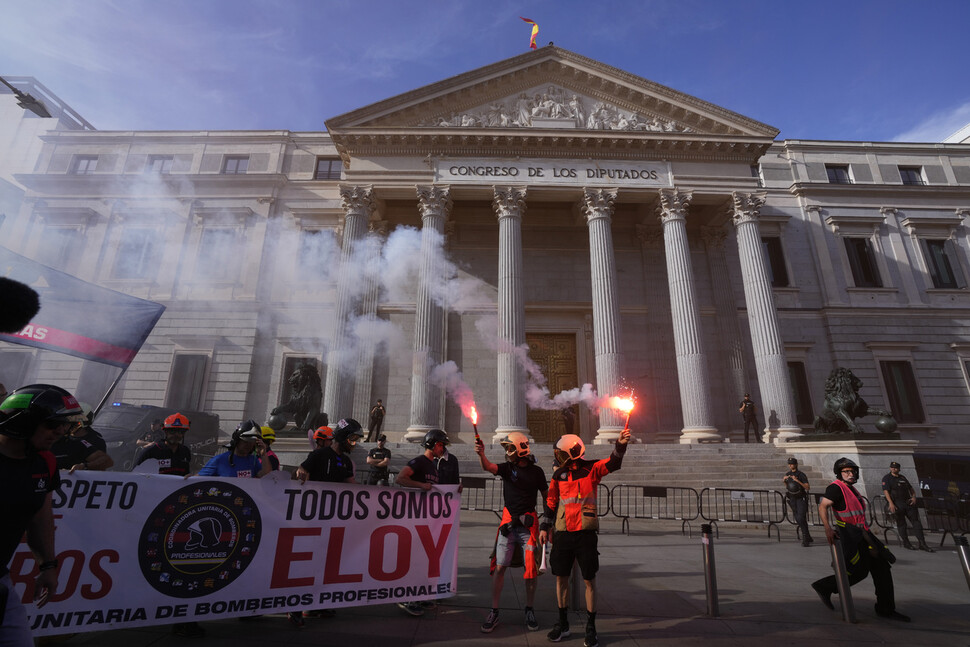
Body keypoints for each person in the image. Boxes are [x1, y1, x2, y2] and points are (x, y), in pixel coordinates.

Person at [0, 384, 82, 646]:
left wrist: (48, 565)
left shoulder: (45, 461)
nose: (60, 432)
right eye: (52, 424)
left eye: (64, 425)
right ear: (23, 421)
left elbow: (41, 517)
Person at [541, 430, 630, 647]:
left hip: (585, 532)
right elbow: (551, 501)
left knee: (589, 580)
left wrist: (620, 444)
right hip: (562, 531)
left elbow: (613, 463)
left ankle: (591, 627)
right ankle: (563, 624)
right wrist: (545, 526)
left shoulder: (592, 469)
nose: (558, 458)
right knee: (561, 578)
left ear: (573, 452)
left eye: (561, 454)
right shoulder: (558, 475)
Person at [811, 457, 910, 622]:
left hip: (862, 534)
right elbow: (823, 506)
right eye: (846, 472)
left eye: (852, 471)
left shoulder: (851, 489)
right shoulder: (836, 488)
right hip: (850, 535)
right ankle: (825, 586)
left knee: (881, 568)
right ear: (839, 474)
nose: (851, 474)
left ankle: (885, 608)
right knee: (859, 570)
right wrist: (827, 528)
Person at [475, 432, 551, 634]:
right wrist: (481, 454)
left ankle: (529, 609)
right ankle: (494, 611)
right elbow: (489, 467)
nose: (507, 452)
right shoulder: (507, 468)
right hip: (508, 525)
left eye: (509, 448)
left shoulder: (537, 472)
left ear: (520, 449)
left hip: (529, 527)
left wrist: (546, 523)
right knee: (500, 568)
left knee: (530, 571)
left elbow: (547, 497)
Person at [395, 428, 460, 617]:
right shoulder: (420, 462)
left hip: (428, 521)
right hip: (415, 519)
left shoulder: (433, 466)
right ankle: (405, 597)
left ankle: (420, 594)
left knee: (425, 559)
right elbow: (401, 478)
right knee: (414, 559)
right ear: (433, 444)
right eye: (441, 444)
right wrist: (421, 485)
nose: (443, 448)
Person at [882, 461, 934, 552]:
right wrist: (891, 503)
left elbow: (911, 489)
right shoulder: (887, 478)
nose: (893, 469)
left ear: (899, 469)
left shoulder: (903, 478)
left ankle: (922, 543)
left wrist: (913, 497)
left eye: (895, 468)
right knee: (902, 524)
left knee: (916, 523)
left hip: (908, 503)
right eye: (892, 467)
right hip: (897, 503)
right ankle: (906, 543)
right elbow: (886, 491)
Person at [295, 418, 361, 485]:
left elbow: (351, 482)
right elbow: (302, 470)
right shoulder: (318, 454)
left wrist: (367, 489)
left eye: (355, 441)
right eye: (352, 440)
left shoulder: (347, 461)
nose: (353, 444)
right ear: (342, 437)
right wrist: (301, 474)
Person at [198, 419, 272, 478]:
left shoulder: (253, 461)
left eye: (252, 441)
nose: (248, 444)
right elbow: (198, 479)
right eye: (245, 441)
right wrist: (189, 479)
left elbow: (265, 476)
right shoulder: (219, 460)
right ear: (236, 440)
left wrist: (263, 454)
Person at [50, 404, 113, 472]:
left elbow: (105, 462)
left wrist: (84, 466)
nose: (63, 428)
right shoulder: (49, 441)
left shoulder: (80, 443)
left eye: (68, 423)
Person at [783, 457, 813, 547]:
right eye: (789, 464)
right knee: (798, 518)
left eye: (792, 464)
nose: (790, 465)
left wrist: (797, 480)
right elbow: (788, 486)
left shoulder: (801, 474)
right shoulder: (788, 474)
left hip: (801, 498)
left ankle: (805, 538)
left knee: (801, 517)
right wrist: (784, 481)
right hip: (792, 498)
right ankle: (808, 536)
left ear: (796, 464)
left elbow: (807, 487)